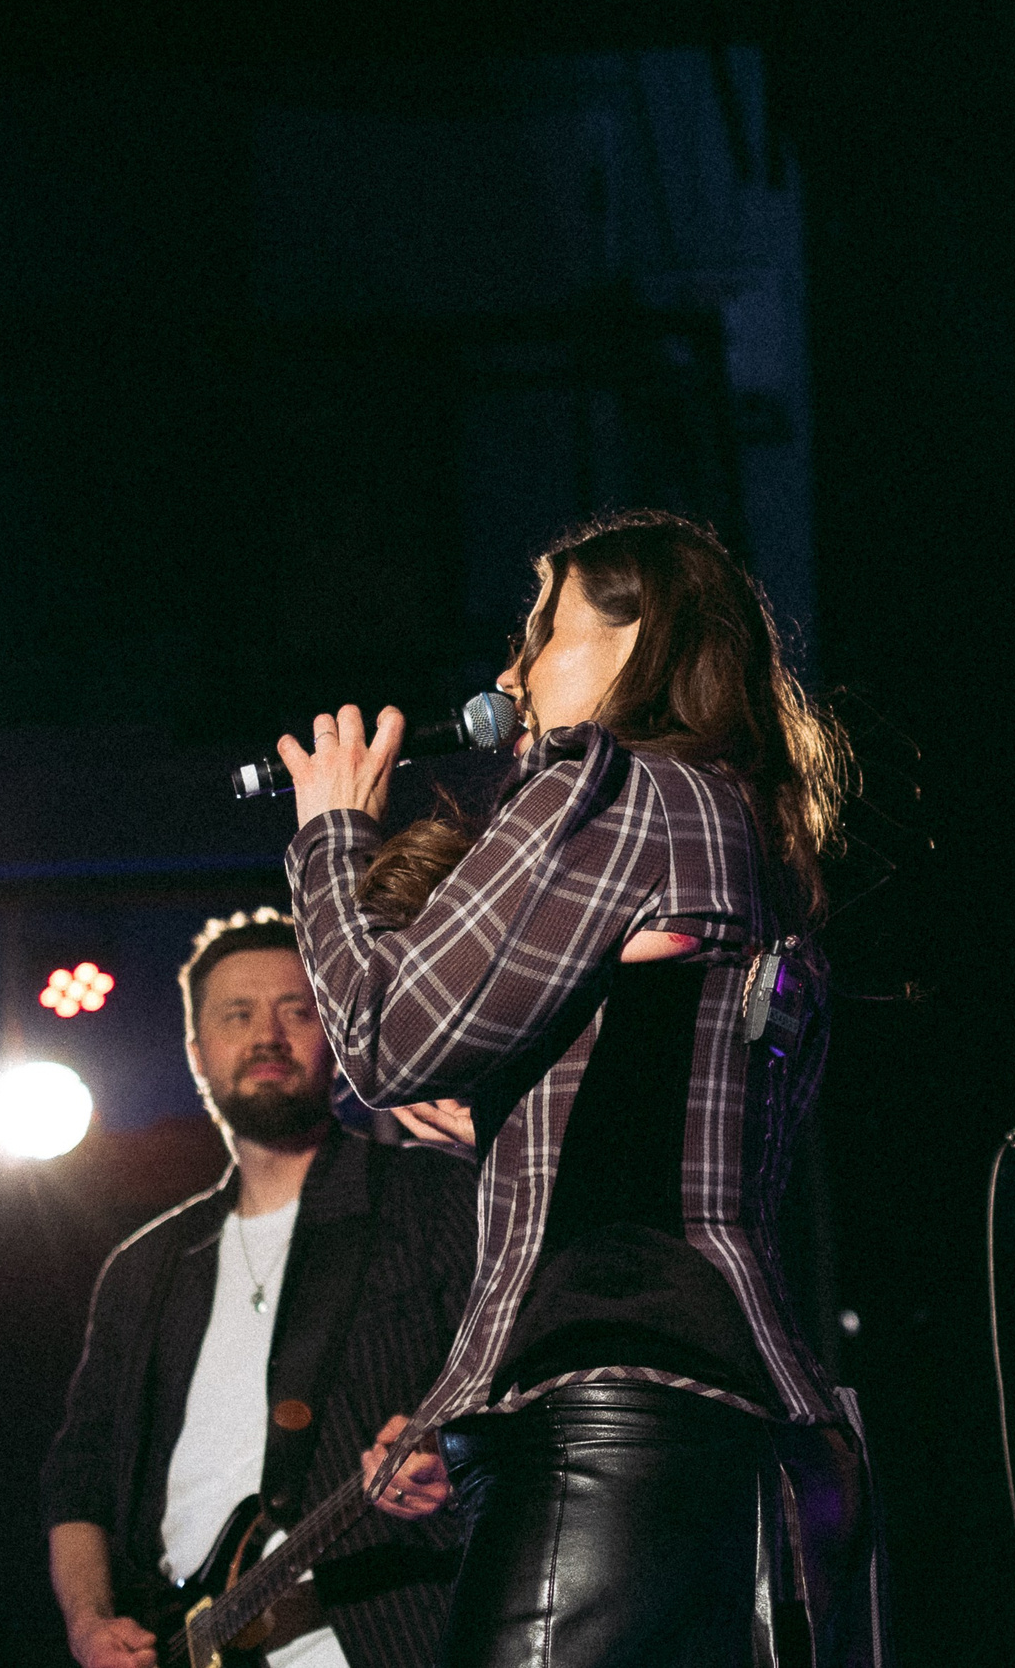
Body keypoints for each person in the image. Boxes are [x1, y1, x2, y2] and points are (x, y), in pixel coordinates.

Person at [276, 510, 879, 1668]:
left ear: (640, 638)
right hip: (716, 1403)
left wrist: (332, 838)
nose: (509, 675)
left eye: (541, 633)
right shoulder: (733, 819)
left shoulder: (617, 786)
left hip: (615, 1388)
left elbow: (383, 1039)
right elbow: (640, 1109)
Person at [42, 910, 481, 1668]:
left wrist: (457, 1452)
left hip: (383, 1632)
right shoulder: (144, 1267)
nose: (268, 1035)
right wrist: (89, 1623)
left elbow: (525, 1377)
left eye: (298, 1011)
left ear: (338, 1039)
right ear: (196, 1054)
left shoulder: (427, 1193)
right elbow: (80, 1478)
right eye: (237, 1015)